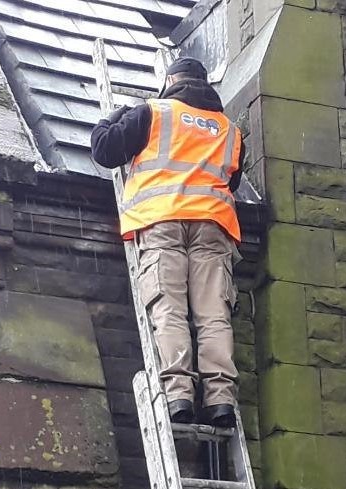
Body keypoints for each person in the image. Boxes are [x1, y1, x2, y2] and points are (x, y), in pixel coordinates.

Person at [90, 58, 245, 428]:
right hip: (212, 227)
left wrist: (111, 118)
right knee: (213, 315)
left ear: (171, 80)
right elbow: (232, 181)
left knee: (169, 309)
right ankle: (221, 399)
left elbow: (105, 151)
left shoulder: (152, 113)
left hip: (160, 222)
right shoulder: (229, 130)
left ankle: (179, 395)